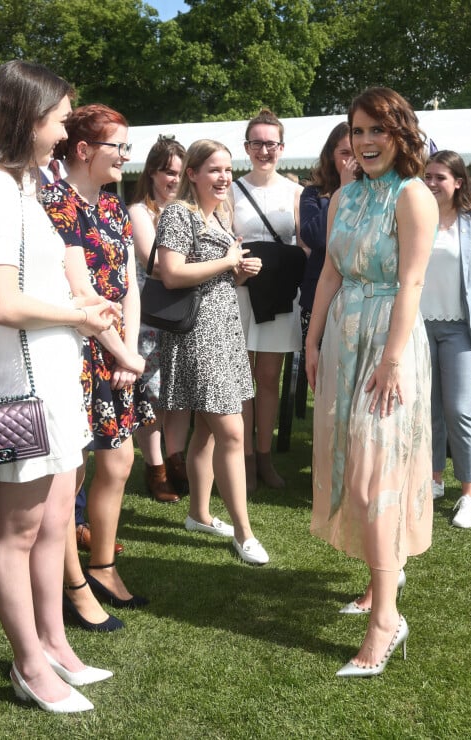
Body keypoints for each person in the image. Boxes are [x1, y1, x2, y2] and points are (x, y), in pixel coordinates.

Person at [0, 60, 117, 712]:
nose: (62, 131)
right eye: (56, 118)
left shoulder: (23, 187)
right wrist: (79, 315)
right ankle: (29, 663)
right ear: (27, 117)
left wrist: (87, 313)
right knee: (16, 532)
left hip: (52, 381)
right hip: (17, 389)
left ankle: (54, 642)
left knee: (54, 522)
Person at [306, 87, 438, 677]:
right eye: (358, 131)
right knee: (352, 463)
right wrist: (311, 343)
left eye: (377, 130)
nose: (366, 141)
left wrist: (390, 359)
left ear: (400, 134)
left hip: (392, 344)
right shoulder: (344, 197)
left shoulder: (415, 197)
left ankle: (386, 618)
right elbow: (331, 271)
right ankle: (380, 584)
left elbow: (411, 284)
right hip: (343, 339)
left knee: (371, 478)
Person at [42, 104, 153, 630]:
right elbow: (78, 295)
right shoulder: (54, 203)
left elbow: (128, 284)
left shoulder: (113, 207)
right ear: (84, 150)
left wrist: (128, 351)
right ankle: (72, 584)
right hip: (73, 346)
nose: (127, 157)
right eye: (119, 147)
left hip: (116, 353)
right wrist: (125, 353)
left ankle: (103, 566)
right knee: (72, 473)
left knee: (118, 462)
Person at [157, 139, 269, 565]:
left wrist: (241, 271)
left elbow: (217, 280)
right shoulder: (178, 214)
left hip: (223, 331)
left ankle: (199, 514)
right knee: (231, 431)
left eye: (227, 169)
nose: (224, 177)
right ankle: (244, 532)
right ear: (192, 175)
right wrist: (227, 263)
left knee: (206, 432)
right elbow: (171, 274)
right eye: (214, 170)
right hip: (196, 336)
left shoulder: (219, 217)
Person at [422, 151, 471, 528]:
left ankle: (468, 493)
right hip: (417, 326)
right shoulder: (414, 216)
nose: (432, 183)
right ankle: (434, 479)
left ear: (457, 182)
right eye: (427, 177)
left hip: (460, 330)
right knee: (427, 409)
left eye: (439, 177)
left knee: (458, 410)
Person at [232, 108, 305, 491]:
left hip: (278, 295)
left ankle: (265, 456)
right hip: (240, 293)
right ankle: (243, 458)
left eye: (270, 143)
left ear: (282, 147)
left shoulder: (296, 193)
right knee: (242, 379)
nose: (264, 150)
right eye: (257, 143)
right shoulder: (230, 189)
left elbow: (304, 246)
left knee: (268, 377)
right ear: (246, 147)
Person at [128, 136, 190, 503]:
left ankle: (175, 461)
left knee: (177, 394)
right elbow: (154, 263)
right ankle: (155, 471)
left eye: (181, 173)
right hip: (148, 315)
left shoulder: (187, 210)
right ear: (152, 171)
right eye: (168, 171)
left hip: (182, 315)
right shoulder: (139, 211)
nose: (174, 180)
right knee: (151, 396)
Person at [299, 122, 355, 349]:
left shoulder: (377, 194)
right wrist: (343, 191)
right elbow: (316, 238)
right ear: (331, 156)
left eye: (358, 153)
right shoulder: (313, 193)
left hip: (361, 298)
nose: (353, 161)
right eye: (345, 153)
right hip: (320, 298)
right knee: (320, 375)